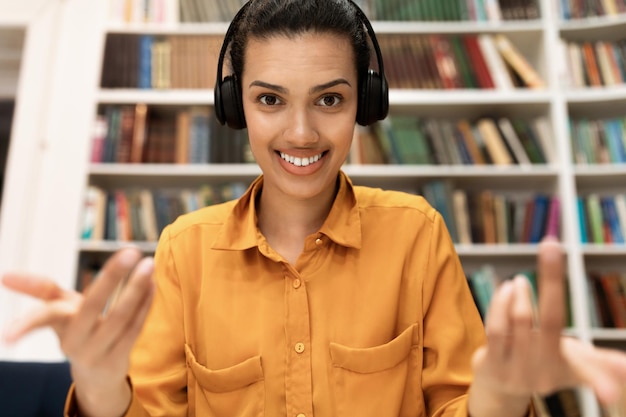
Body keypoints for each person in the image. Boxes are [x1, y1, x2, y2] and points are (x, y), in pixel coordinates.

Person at [3, 0, 626, 416]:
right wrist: (98, 381)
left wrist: (497, 395)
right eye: (270, 99)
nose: (300, 132)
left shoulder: (417, 235)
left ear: (367, 103)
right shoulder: (183, 249)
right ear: (234, 108)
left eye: (329, 100)